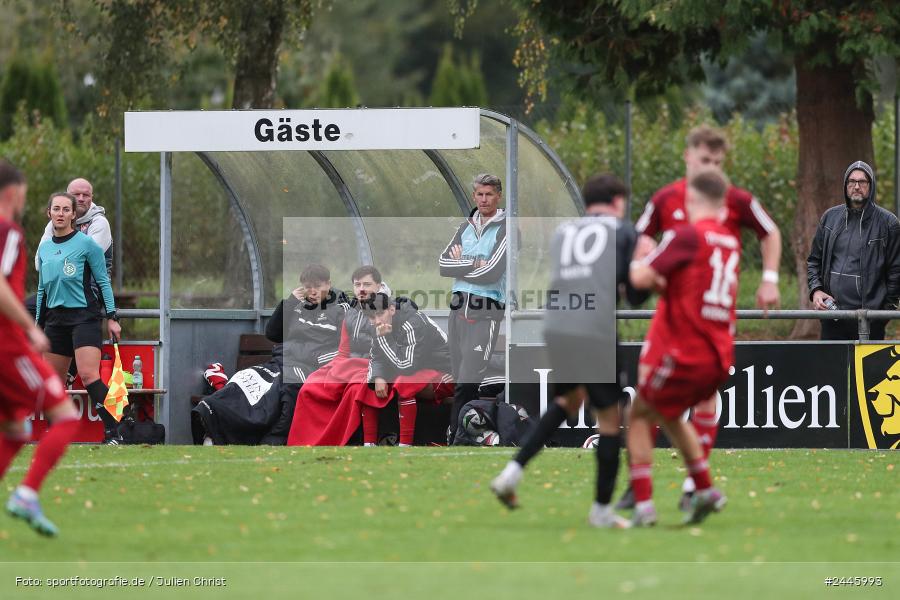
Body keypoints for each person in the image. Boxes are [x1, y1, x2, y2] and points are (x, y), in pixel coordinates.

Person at [620, 124, 782, 511]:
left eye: (718, 161)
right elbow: (637, 238)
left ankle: (693, 483)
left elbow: (770, 232)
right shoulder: (665, 199)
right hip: (672, 310)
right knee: (658, 395)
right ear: (688, 157)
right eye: (705, 160)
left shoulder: (733, 199)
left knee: (696, 396)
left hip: (709, 314)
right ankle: (660, 484)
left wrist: (771, 279)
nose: (712, 167)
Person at [490, 174, 649, 528]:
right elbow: (634, 293)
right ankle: (602, 511)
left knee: (568, 401)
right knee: (610, 420)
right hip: (593, 327)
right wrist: (646, 268)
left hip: (558, 323)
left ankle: (511, 474)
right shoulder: (623, 231)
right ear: (617, 200)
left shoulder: (565, 232)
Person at [626, 169, 735, 526]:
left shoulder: (686, 236)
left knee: (640, 415)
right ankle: (703, 488)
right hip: (719, 355)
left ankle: (643, 506)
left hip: (686, 351)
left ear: (691, 201)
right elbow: (692, 285)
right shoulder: (730, 241)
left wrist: (640, 259)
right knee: (669, 414)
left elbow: (641, 278)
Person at [0, 161, 81, 537]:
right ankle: (28, 493)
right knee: (65, 414)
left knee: (15, 428)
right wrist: (30, 328)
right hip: (9, 346)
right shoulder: (8, 231)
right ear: (14, 192)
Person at [36, 192, 121, 444]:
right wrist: (37, 326)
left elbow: (103, 282)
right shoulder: (44, 248)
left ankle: (114, 432)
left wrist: (112, 317)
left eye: (65, 209)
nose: (60, 214)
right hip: (55, 321)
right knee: (53, 382)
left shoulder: (86, 245)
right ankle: (55, 436)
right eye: (56, 209)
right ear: (49, 213)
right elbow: (42, 289)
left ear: (74, 214)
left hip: (84, 317)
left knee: (88, 375)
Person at [439, 173, 507, 443]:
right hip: (457, 309)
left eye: (489, 194)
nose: (483, 199)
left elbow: (492, 272)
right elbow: (443, 264)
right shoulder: (464, 226)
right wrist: (474, 263)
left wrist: (464, 263)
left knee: (468, 381)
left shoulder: (507, 228)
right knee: (458, 380)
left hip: (485, 310)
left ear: (498, 196)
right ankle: (455, 435)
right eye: (479, 194)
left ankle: (458, 437)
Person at [807, 160, 900, 340]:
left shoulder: (889, 223)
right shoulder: (830, 218)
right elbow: (814, 261)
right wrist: (816, 290)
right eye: (852, 181)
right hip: (832, 316)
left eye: (862, 182)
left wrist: (884, 314)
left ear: (870, 186)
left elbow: (896, 272)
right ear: (846, 185)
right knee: (831, 368)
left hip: (870, 319)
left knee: (866, 369)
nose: (856, 186)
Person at [360, 292, 454, 446]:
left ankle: (405, 445)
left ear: (391, 309)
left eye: (380, 314)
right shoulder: (377, 325)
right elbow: (375, 357)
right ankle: (369, 445)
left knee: (405, 382)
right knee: (367, 382)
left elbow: (406, 366)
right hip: (416, 368)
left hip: (444, 370)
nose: (377, 321)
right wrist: (378, 377)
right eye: (371, 317)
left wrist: (384, 339)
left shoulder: (413, 322)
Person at [34, 178, 112, 276]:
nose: (81, 199)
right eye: (76, 194)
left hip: (92, 289)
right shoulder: (55, 223)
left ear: (91, 197)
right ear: (67, 196)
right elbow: (39, 263)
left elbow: (85, 263)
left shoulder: (99, 222)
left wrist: (54, 256)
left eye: (86, 195)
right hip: (59, 288)